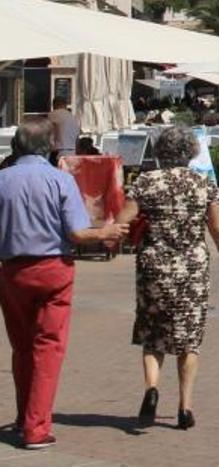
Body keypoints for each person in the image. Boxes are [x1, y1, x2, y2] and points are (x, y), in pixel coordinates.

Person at [0, 119, 127, 449]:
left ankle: (23, 416)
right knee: (48, 348)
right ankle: (36, 427)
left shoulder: (2, 180)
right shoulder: (60, 180)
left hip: (12, 270)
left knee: (22, 348)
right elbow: (76, 233)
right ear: (49, 146)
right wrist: (105, 233)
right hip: (53, 268)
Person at [115, 126, 219, 431]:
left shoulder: (145, 181)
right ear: (191, 151)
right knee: (188, 342)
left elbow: (121, 221)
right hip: (192, 270)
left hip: (153, 267)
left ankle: (152, 388)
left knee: (152, 334)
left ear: (160, 152)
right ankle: (185, 408)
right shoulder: (203, 184)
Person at [47, 97, 80, 162]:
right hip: (72, 152)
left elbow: (47, 131)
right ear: (65, 105)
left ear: (54, 105)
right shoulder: (73, 117)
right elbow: (77, 138)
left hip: (58, 152)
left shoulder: (53, 114)